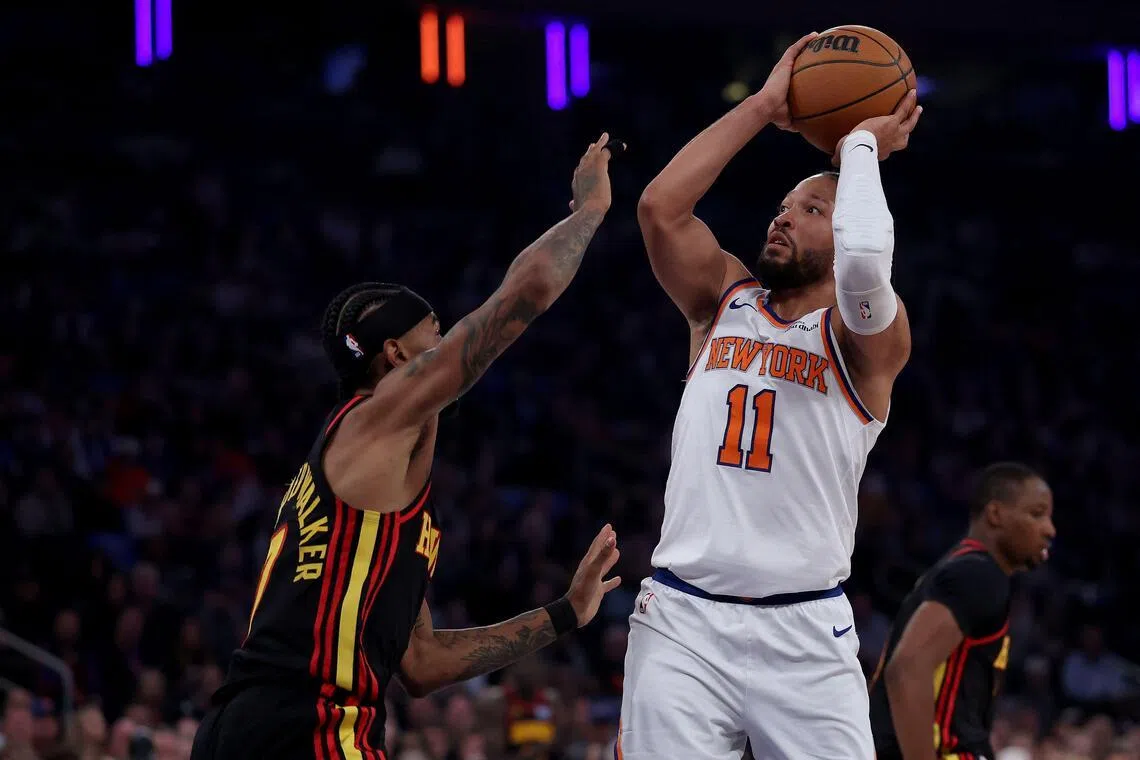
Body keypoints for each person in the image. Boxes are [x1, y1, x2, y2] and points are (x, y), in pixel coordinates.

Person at [191, 136, 621, 759]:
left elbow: (419, 663)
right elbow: (520, 299)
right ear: (395, 353)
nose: (448, 341)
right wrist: (589, 212)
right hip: (306, 722)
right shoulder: (373, 417)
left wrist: (564, 614)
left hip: (262, 725)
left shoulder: (380, 492)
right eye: (436, 333)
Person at [619, 33, 922, 759]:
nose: (782, 216)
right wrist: (762, 106)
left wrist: (858, 154)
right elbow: (661, 207)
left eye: (810, 209)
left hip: (805, 631)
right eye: (783, 205)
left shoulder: (867, 338)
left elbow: (861, 266)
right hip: (682, 621)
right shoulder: (721, 301)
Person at [869, 462, 1055, 760]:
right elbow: (905, 669)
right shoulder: (979, 574)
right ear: (995, 515)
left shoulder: (962, 570)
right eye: (1037, 514)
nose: (1049, 529)